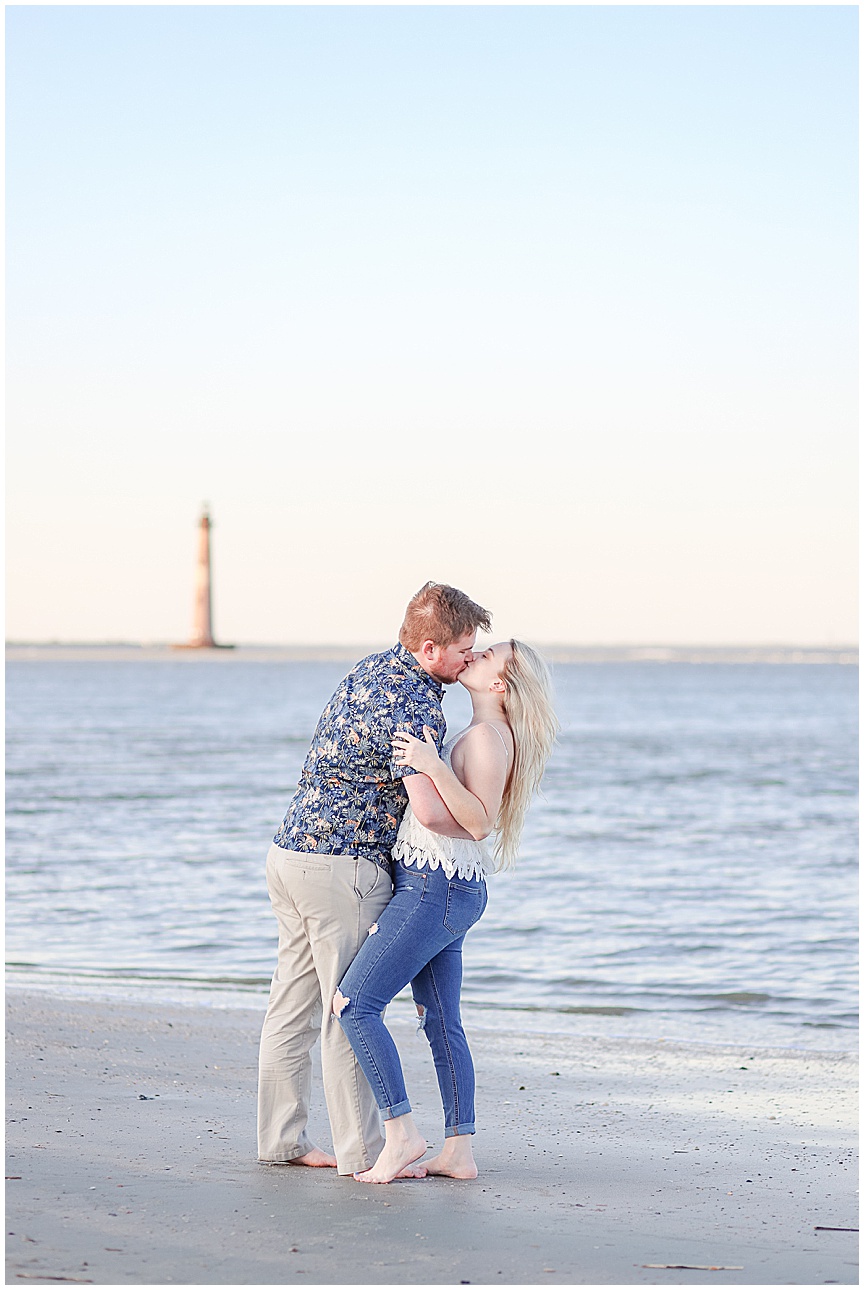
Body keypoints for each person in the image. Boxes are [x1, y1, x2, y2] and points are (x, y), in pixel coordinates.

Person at [257, 582, 492, 1177]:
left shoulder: (369, 668)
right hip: (344, 869)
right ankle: (367, 1151)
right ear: (432, 648)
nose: (470, 657)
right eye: (465, 647)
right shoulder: (415, 702)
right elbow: (433, 811)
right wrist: (481, 825)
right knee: (350, 1008)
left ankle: (281, 1139)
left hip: (289, 854)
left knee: (292, 1005)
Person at [333, 639, 558, 1183]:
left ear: (499, 685)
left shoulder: (485, 738)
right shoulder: (487, 735)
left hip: (435, 888)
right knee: (441, 1021)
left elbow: (477, 822)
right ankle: (459, 1150)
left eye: (486, 658)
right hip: (452, 885)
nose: (473, 657)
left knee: (355, 1004)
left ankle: (400, 1132)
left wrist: (431, 762)